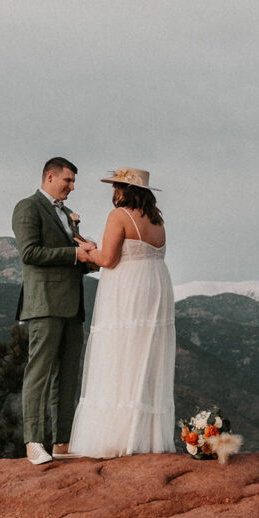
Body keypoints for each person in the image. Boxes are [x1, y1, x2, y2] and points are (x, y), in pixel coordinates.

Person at [68, 167, 175, 457]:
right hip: (155, 287)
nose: (114, 192)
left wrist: (86, 249)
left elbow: (108, 259)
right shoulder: (158, 221)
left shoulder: (119, 216)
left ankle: (116, 436)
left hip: (128, 290)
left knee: (119, 355)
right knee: (144, 356)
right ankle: (144, 436)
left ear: (123, 190)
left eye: (116, 186)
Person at [13, 157, 94, 465]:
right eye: (68, 181)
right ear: (50, 176)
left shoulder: (67, 216)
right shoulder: (28, 207)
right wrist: (76, 253)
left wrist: (89, 258)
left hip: (73, 304)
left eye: (73, 182)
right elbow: (30, 253)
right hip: (44, 303)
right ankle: (34, 441)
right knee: (40, 373)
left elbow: (69, 257)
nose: (72, 187)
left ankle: (62, 441)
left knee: (68, 374)